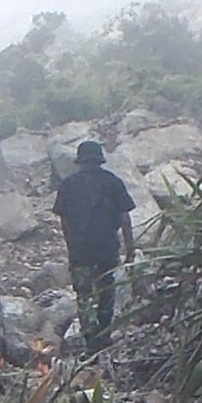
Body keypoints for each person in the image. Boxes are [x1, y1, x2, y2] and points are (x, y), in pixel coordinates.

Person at [53, 136, 135, 346]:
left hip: (80, 251)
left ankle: (90, 340)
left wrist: (71, 247)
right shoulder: (113, 182)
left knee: (85, 297)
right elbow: (125, 218)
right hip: (107, 249)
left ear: (80, 161)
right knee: (106, 293)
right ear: (100, 160)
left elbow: (64, 222)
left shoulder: (68, 185)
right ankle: (104, 335)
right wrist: (130, 250)